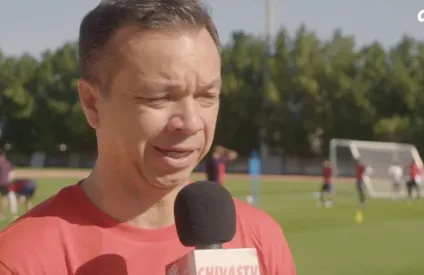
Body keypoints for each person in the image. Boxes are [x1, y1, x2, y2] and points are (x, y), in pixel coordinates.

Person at [0, 1, 296, 274]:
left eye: (207, 96)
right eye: (158, 97)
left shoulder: (259, 240)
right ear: (92, 103)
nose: (191, 122)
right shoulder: (22, 259)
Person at [0, 149, 16, 220]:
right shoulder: (7, 163)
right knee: (4, 198)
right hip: (6, 183)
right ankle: (2, 215)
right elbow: (11, 174)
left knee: (4, 198)